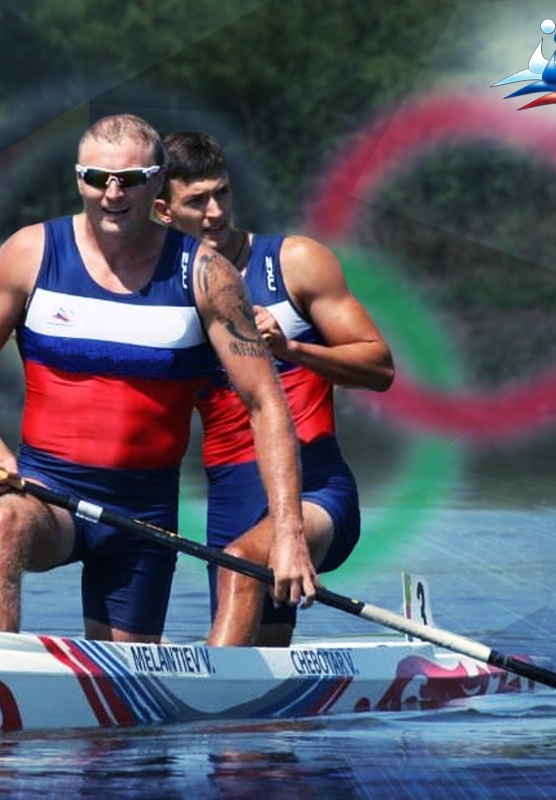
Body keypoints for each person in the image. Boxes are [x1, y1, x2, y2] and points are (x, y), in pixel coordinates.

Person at [0, 115, 317, 644]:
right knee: (3, 522)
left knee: (120, 707)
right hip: (50, 493)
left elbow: (266, 403)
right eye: (97, 178)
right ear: (79, 180)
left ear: (158, 181)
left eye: (130, 179)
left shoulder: (206, 274)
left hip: (144, 515)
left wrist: (288, 533)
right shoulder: (30, 254)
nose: (111, 193)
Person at [154, 132, 394, 647]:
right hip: (232, 495)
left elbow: (380, 366)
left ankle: (206, 708)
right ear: (165, 212)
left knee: (241, 564)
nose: (215, 212)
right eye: (196, 201)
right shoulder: (157, 289)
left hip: (315, 487)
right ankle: (260, 726)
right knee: (259, 658)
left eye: (221, 194)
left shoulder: (295, 263)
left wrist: (291, 350)